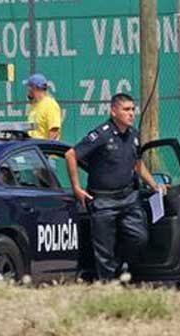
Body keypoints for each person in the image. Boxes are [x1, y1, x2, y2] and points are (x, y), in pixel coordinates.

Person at [65, 93, 166, 281]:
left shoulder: (134, 135)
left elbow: (137, 164)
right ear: (113, 111)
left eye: (132, 109)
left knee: (140, 238)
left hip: (128, 198)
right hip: (103, 201)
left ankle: (122, 266)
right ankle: (108, 287)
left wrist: (154, 184)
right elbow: (71, 155)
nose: (131, 114)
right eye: (126, 109)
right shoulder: (101, 134)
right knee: (104, 251)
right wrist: (76, 188)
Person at [24, 73, 62, 140]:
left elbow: (54, 131)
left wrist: (47, 147)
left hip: (42, 148)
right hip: (32, 146)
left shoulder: (50, 105)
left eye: (29, 87)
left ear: (35, 87)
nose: (28, 90)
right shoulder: (33, 105)